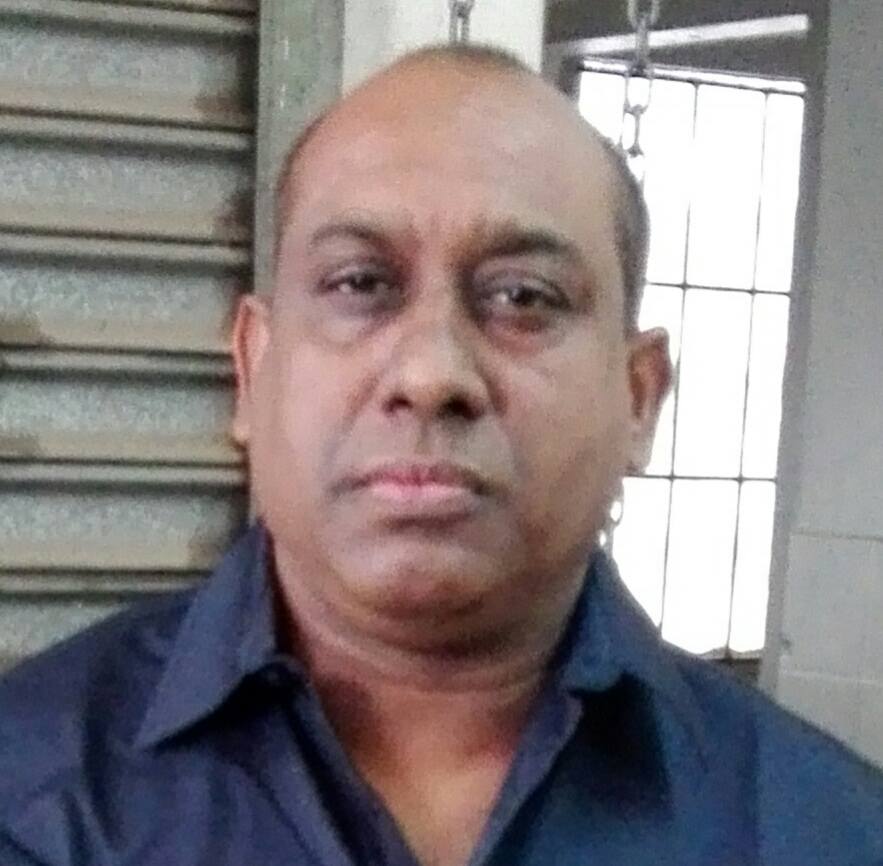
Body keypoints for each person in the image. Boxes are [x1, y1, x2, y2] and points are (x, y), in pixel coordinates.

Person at [1, 43, 881, 866]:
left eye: (522, 297)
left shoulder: (827, 830)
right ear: (252, 369)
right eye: (359, 283)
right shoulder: (29, 795)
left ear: (637, 398)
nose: (429, 375)